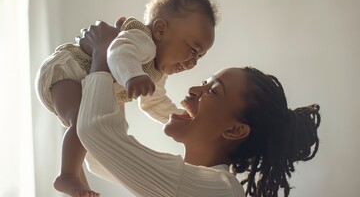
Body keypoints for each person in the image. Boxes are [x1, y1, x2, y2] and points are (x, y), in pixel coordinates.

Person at [75, 19, 321, 197]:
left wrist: (102, 55)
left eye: (212, 91)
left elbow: (94, 132)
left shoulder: (215, 188)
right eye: (204, 83)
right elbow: (96, 159)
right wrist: (121, 78)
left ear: (235, 130)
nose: (194, 90)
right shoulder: (198, 183)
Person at [35, 0, 217, 197]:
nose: (193, 62)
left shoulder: (157, 72)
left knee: (98, 131)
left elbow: (153, 102)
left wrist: (185, 116)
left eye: (199, 57)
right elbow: (118, 52)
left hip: (85, 83)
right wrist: (132, 76)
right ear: (160, 29)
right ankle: (67, 176)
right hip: (68, 71)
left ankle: (77, 183)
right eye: (192, 50)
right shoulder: (143, 41)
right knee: (81, 121)